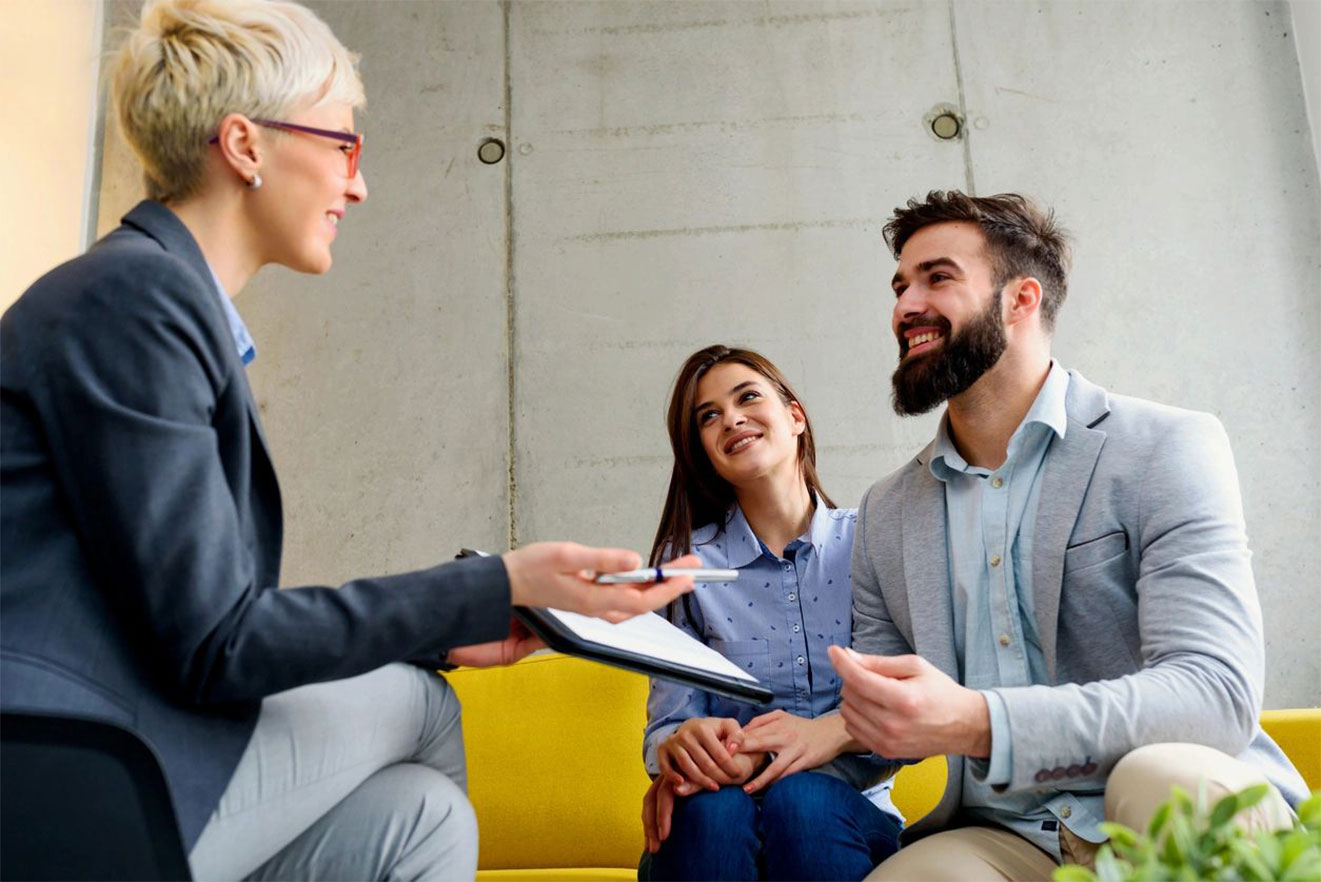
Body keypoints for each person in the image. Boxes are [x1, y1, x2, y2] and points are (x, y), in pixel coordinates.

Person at [0, 1, 698, 879]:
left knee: (423, 817)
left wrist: (455, 627)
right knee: (420, 709)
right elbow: (217, 645)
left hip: (107, 751)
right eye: (342, 144)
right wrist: (496, 584)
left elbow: (194, 620)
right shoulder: (135, 300)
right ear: (246, 146)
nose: (357, 185)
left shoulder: (150, 303)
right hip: (62, 779)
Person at [827, 190, 1309, 880]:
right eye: (900, 285)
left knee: (1166, 779)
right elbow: (885, 720)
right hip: (1005, 833)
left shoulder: (1165, 447)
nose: (905, 306)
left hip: (1160, 801)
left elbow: (1213, 694)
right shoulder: (884, 512)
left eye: (937, 277)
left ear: (1021, 299)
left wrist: (978, 721)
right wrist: (743, 750)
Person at [639, 345, 904, 881]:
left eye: (747, 397)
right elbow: (666, 729)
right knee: (712, 810)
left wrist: (767, 759)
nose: (730, 419)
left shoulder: (873, 540)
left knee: (803, 801)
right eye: (708, 416)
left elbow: (906, 714)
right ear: (704, 452)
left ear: (795, 416)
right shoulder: (686, 566)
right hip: (719, 817)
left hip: (843, 819)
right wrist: (678, 747)